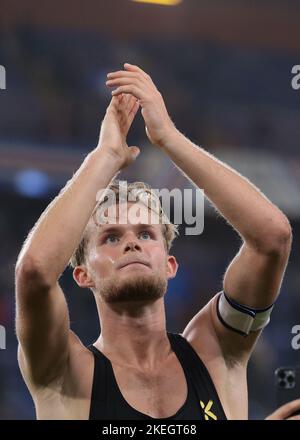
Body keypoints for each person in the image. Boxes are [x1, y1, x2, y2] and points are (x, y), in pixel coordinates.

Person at [15, 63, 292, 420]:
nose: (132, 244)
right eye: (111, 237)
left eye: (145, 234)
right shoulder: (65, 373)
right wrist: (106, 157)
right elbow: (35, 272)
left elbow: (273, 237)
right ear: (82, 274)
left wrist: (169, 139)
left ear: (169, 264)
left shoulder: (215, 353)